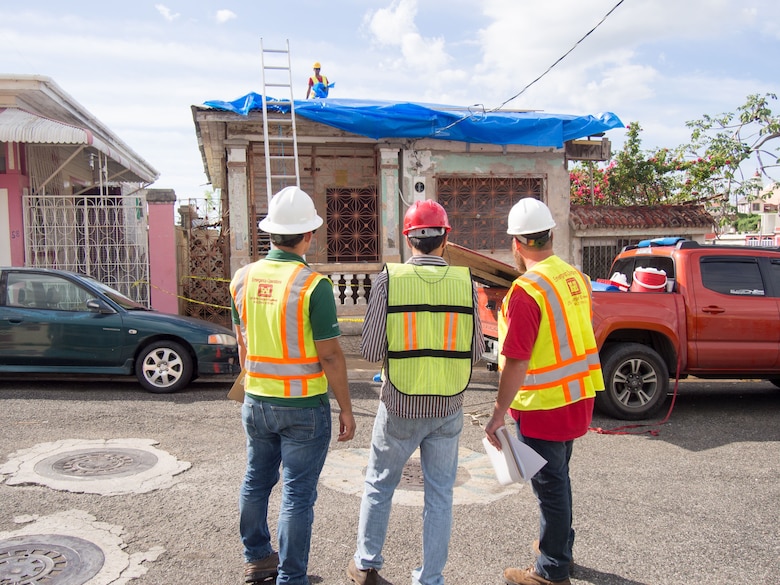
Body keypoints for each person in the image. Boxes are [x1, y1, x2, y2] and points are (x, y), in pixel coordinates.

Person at [347, 199, 483, 585]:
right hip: (448, 405)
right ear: (445, 239)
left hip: (399, 404)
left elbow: (371, 350)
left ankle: (367, 564)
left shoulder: (390, 279)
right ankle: (431, 578)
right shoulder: (466, 283)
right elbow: (475, 352)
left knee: (379, 482)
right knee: (440, 494)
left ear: (409, 239)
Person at [230, 186, 356, 585]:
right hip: (303, 406)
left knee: (255, 480)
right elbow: (331, 356)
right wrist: (347, 409)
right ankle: (291, 577)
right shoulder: (312, 286)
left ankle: (257, 557)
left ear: (270, 233)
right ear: (308, 236)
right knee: (297, 495)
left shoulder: (242, 278)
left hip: (257, 401)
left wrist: (250, 387)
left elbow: (241, 341)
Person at [484, 198, 604, 585]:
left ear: (516, 244)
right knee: (559, 478)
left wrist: (499, 411)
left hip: (543, 404)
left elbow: (517, 360)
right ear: (551, 234)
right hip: (577, 395)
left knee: (550, 488)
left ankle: (552, 569)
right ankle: (557, 546)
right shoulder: (576, 278)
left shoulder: (525, 291)